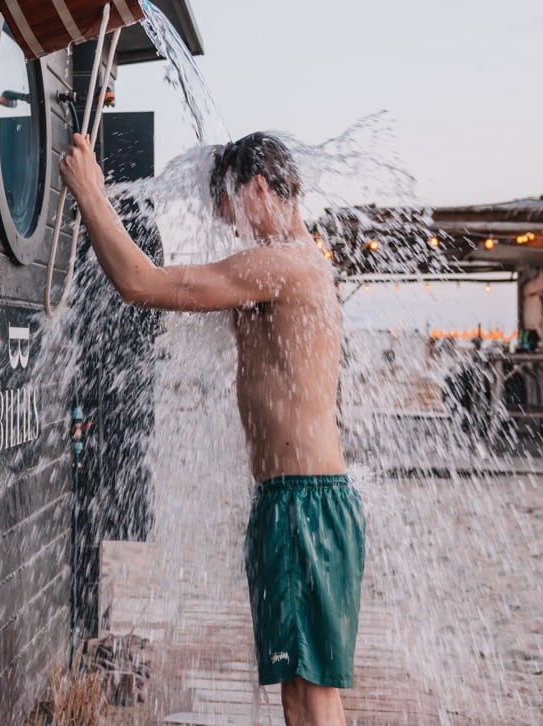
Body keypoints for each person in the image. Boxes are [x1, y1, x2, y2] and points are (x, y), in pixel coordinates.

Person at [58, 131, 365, 725]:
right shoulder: (288, 267)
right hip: (295, 500)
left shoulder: (285, 264)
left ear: (258, 188)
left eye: (230, 211)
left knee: (311, 694)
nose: (230, 230)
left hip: (305, 504)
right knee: (305, 689)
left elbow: (142, 284)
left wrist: (92, 196)